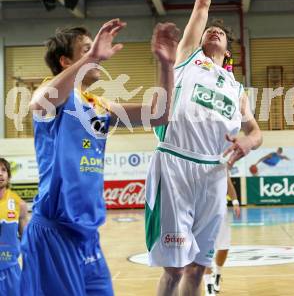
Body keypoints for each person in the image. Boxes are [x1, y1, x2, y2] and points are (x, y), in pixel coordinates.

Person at [20, 19, 179, 295]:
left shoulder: (99, 105)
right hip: (55, 232)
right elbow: (39, 102)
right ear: (65, 60)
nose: (96, 53)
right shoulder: (53, 95)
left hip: (87, 233)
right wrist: (92, 58)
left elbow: (158, 115)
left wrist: (167, 66)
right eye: (86, 49)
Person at [145, 0, 262, 296]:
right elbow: (201, 5)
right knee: (175, 269)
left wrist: (248, 143)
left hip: (213, 172)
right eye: (210, 30)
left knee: (197, 270)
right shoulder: (188, 59)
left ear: (228, 53)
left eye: (220, 34)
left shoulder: (237, 88)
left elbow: (256, 132)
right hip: (176, 164)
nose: (213, 31)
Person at [203, 175, 241, 295]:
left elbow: (228, 182)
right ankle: (208, 285)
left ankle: (218, 273)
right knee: (205, 249)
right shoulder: (193, 163)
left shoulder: (220, 162)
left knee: (224, 248)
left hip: (220, 211)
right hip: (201, 211)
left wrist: (235, 201)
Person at [0, 157, 28, 296]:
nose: (0, 173)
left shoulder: (19, 204)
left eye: (3, 170)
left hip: (11, 270)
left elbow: (26, 241)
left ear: (9, 176)